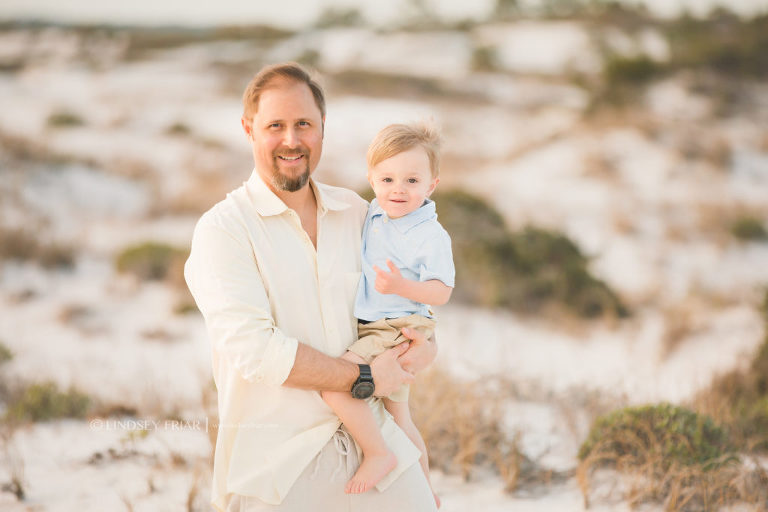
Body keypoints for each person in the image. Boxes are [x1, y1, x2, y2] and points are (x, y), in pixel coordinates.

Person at [184, 62, 439, 512]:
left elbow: (398, 304)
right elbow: (256, 352)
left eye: (304, 124)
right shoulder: (223, 230)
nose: (291, 140)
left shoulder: (359, 214)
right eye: (275, 126)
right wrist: (363, 377)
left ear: (323, 127)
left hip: (378, 447)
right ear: (249, 129)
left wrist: (423, 347)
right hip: (278, 468)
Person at [321, 123, 453, 508]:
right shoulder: (376, 210)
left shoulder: (430, 234)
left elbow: (441, 292)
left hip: (396, 324)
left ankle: (378, 453)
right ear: (371, 179)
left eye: (412, 180)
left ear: (431, 185)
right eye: (388, 178)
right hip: (384, 321)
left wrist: (402, 287)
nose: (399, 189)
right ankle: (427, 494)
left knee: (334, 385)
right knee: (400, 417)